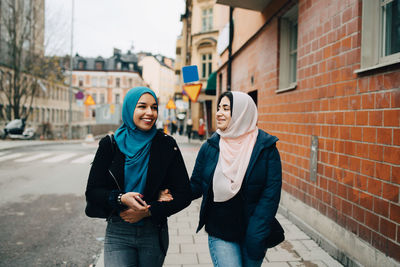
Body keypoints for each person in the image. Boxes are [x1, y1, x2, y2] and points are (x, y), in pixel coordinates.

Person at [162, 91, 282, 267]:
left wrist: (257, 235)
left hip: (253, 233)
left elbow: (270, 196)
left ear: (242, 112)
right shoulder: (210, 147)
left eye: (226, 108)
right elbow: (195, 186)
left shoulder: (266, 148)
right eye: (219, 108)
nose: (218, 113)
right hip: (220, 231)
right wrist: (170, 193)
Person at [85, 86, 192, 267]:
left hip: (152, 231)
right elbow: (93, 192)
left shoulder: (166, 145)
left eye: (154, 107)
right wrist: (121, 197)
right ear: (129, 108)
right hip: (119, 230)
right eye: (142, 106)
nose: (149, 113)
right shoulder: (109, 145)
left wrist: (149, 210)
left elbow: (184, 195)